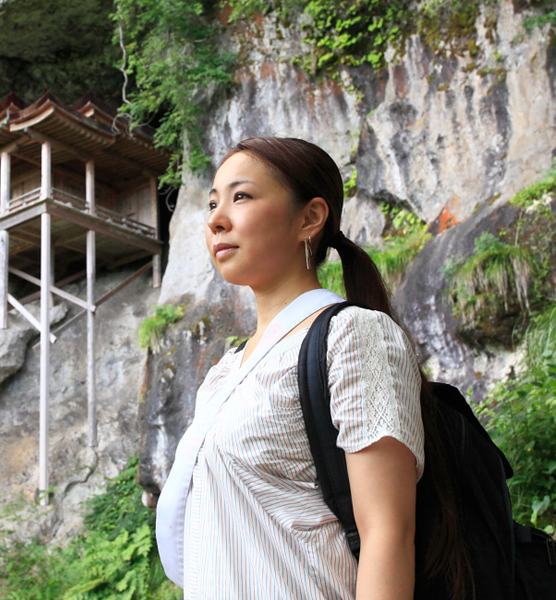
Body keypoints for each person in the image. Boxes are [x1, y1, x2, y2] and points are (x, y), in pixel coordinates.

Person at [155, 137, 468, 599]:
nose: (217, 219)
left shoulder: (353, 336)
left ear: (310, 218)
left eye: (241, 196)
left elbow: (388, 533)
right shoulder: (222, 375)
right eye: (212, 203)